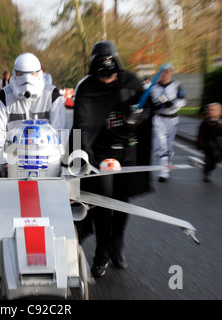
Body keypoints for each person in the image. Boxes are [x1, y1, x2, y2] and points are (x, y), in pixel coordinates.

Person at [68, 41, 153, 278]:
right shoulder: (86, 88)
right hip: (101, 154)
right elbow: (82, 127)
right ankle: (101, 254)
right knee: (103, 204)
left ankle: (117, 246)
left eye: (112, 72)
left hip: (129, 152)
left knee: (123, 201)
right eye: (102, 73)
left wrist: (138, 116)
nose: (108, 77)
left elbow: (147, 108)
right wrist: (89, 160)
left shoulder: (131, 81)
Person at [0, 52, 67, 166]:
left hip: (47, 164)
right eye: (21, 74)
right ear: (15, 74)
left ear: (40, 73)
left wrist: (55, 161)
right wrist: (4, 161)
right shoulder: (3, 97)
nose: (27, 80)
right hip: (12, 163)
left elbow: (59, 132)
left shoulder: (52, 96)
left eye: (33, 74)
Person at [150, 63, 186, 182]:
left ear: (171, 73)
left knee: (169, 147)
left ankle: (167, 165)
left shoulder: (177, 85)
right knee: (161, 146)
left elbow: (183, 100)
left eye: (168, 71)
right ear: (160, 73)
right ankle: (163, 173)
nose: (166, 74)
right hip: (158, 119)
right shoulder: (153, 87)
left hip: (172, 119)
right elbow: (148, 102)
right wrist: (155, 106)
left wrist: (173, 104)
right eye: (164, 71)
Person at [197, 102, 222, 183]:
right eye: (210, 110)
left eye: (215, 110)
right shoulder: (206, 122)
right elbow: (200, 134)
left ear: (220, 112)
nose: (212, 112)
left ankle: (212, 165)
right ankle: (207, 172)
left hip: (218, 142)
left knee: (213, 163)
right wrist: (200, 143)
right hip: (207, 143)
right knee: (210, 154)